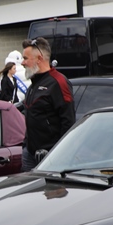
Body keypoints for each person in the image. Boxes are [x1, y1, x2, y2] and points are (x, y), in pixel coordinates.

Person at [20, 37, 75, 172]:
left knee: (50, 187)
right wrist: (26, 145)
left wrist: (57, 153)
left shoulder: (58, 82)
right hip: (30, 154)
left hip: (50, 157)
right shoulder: (33, 84)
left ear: (39, 59)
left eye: (25, 58)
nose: (22, 63)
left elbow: (68, 122)